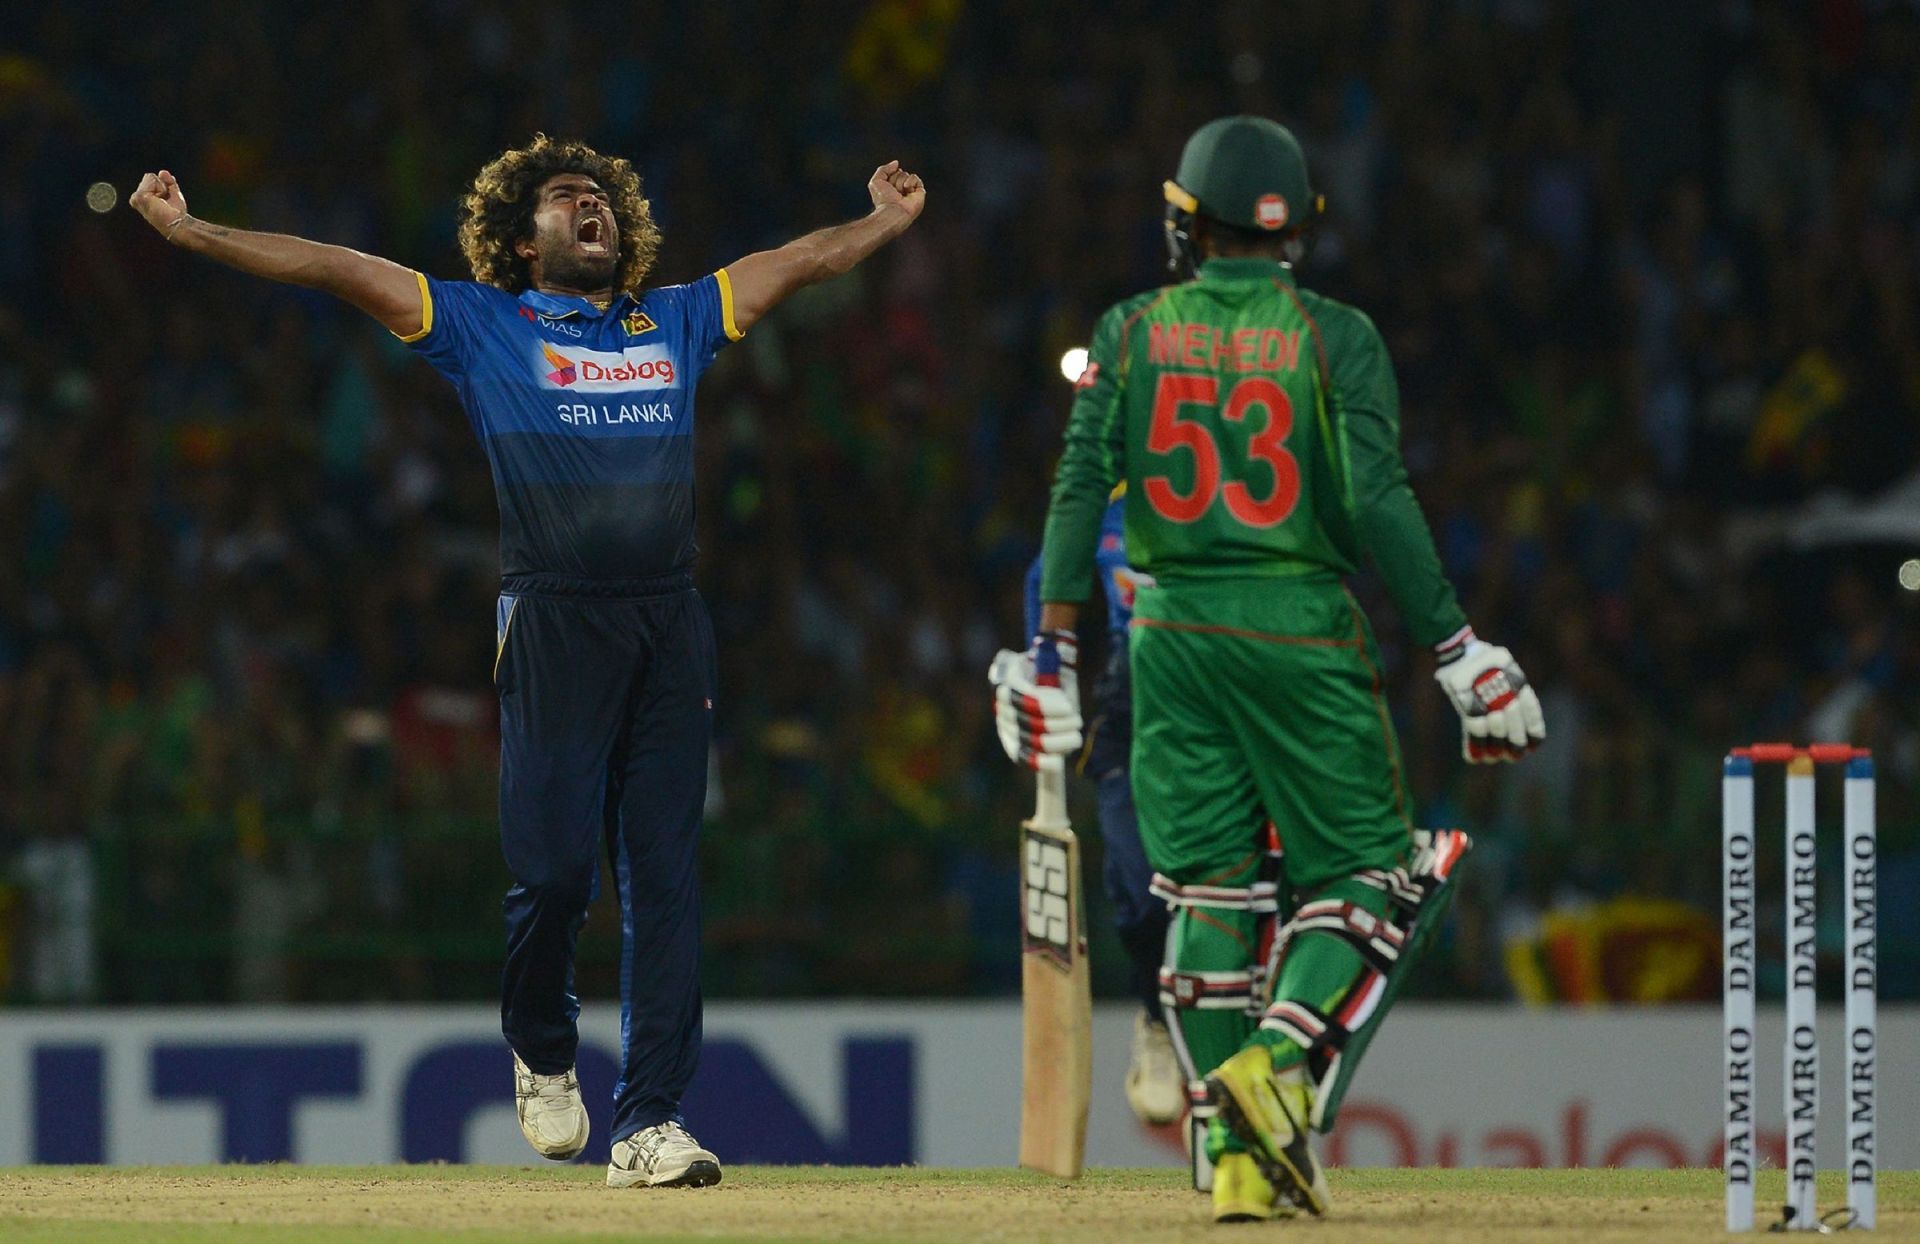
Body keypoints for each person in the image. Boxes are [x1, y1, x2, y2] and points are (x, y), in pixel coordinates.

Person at [130, 136, 925, 1189]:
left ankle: (651, 1120)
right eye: (563, 198)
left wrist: (877, 224)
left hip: (666, 621)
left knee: (666, 879)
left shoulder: (677, 317)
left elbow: (798, 261)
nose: (588, 206)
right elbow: (331, 263)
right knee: (552, 876)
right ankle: (546, 1046)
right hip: (554, 621)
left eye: (599, 197)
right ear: (523, 238)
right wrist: (192, 231)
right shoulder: (477, 322)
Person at [991, 116, 1542, 1222]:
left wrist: (1052, 646)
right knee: (1374, 876)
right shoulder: (1337, 336)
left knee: (1208, 890)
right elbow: (1379, 501)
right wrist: (1456, 647)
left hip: (1170, 635)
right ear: (1303, 227)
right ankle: (1274, 1068)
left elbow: (1072, 493)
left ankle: (1237, 1160)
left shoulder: (1132, 328)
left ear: (1186, 220)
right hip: (1299, 627)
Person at [1012, 489, 1184, 1129]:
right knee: (1139, 888)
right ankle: (1158, 1019)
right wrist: (1041, 668)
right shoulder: (1105, 498)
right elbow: (1046, 575)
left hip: (1224, 680)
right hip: (1133, 689)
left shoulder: (1218, 471)